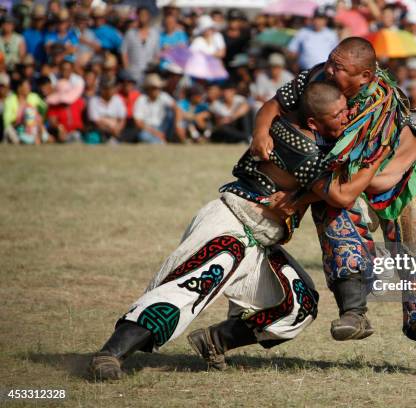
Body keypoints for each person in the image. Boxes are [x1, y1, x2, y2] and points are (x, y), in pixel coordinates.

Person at [89, 81, 388, 380]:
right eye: (338, 115)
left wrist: (299, 198)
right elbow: (340, 195)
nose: (347, 117)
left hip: (260, 240)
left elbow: (276, 102)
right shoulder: (301, 145)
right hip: (230, 224)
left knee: (299, 304)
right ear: (314, 121)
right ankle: (110, 355)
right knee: (188, 288)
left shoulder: (313, 134)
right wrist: (377, 155)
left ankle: (214, 341)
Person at [251, 37, 416, 377]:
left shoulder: (380, 108)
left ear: (364, 76)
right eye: (331, 62)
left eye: (340, 67)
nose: (331, 71)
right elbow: (276, 103)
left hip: (398, 176)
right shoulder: (318, 77)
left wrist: (302, 197)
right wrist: (261, 132)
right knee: (334, 216)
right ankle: (354, 312)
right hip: (346, 175)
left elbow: (367, 184)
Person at [132, 73, 177, 144]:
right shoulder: (141, 100)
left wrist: (177, 124)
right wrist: (156, 133)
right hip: (147, 129)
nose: (156, 90)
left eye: (158, 88)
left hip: (163, 127)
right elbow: (138, 122)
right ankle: (161, 141)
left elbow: (176, 108)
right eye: (154, 88)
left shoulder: (164, 96)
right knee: (143, 136)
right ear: (148, 89)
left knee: (171, 113)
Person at [3, 76, 48, 144]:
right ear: (19, 88)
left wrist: (39, 119)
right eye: (27, 86)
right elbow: (7, 121)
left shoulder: (33, 97)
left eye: (29, 86)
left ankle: (37, 138)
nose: (29, 88)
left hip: (33, 127)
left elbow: (45, 108)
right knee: (8, 129)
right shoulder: (10, 100)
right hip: (17, 127)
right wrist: (21, 119)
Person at [121, 7, 160, 85]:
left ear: (149, 16)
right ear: (137, 16)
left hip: (148, 73)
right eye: (141, 15)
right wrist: (127, 69)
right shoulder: (130, 33)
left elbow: (157, 54)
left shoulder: (155, 34)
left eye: (145, 15)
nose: (143, 17)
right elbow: (123, 52)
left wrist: (154, 66)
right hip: (133, 73)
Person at [87, 77, 127, 143]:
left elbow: (122, 119)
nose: (111, 90)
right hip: (100, 131)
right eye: (108, 88)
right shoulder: (93, 101)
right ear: (102, 89)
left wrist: (117, 129)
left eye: (112, 88)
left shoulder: (118, 99)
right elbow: (96, 121)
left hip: (116, 130)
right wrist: (110, 129)